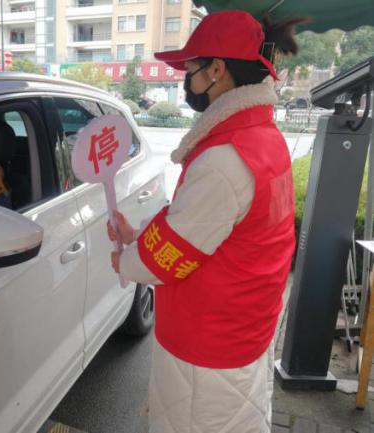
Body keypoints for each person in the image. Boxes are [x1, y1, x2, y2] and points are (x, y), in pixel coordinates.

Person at [107, 11, 306, 433]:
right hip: (243, 330)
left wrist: (126, 260)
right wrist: (137, 235)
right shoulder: (263, 139)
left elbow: (165, 257)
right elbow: (205, 228)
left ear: (216, 70)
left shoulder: (224, 158)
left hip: (206, 351)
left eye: (191, 68)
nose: (186, 80)